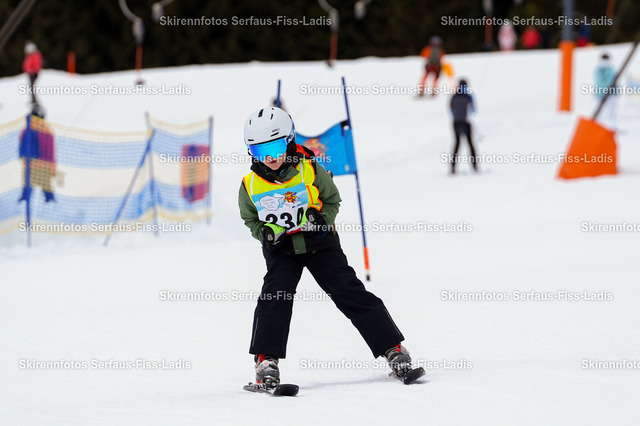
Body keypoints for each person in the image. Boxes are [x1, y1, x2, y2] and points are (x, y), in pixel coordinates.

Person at [238, 107, 422, 388]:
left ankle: (394, 349)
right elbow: (250, 218)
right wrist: (264, 233)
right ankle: (266, 361)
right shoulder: (249, 185)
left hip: (320, 243)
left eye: (275, 148)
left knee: (348, 290)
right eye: (261, 151)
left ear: (289, 142)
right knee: (275, 297)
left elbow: (333, 200)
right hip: (282, 250)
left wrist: (321, 219)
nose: (271, 158)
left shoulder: (310, 169)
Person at [19, 104, 57, 202]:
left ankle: (23, 202)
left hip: (31, 165)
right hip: (46, 167)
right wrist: (53, 168)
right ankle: (50, 203)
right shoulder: (48, 129)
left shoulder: (27, 129)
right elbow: (51, 152)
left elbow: (22, 147)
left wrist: (24, 160)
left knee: (27, 189)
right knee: (47, 189)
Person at [449, 79, 478, 174]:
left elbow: (451, 110)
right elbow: (473, 110)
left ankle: (453, 168)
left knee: (457, 144)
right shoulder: (468, 96)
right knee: (470, 144)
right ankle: (475, 167)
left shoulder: (454, 96)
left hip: (456, 123)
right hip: (466, 123)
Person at [594, 53, 617, 130]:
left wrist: (615, 91)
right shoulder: (599, 70)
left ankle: (614, 127)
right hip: (601, 94)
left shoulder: (610, 69)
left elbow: (613, 81)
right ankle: (597, 126)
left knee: (612, 111)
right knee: (600, 111)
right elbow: (599, 81)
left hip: (610, 93)